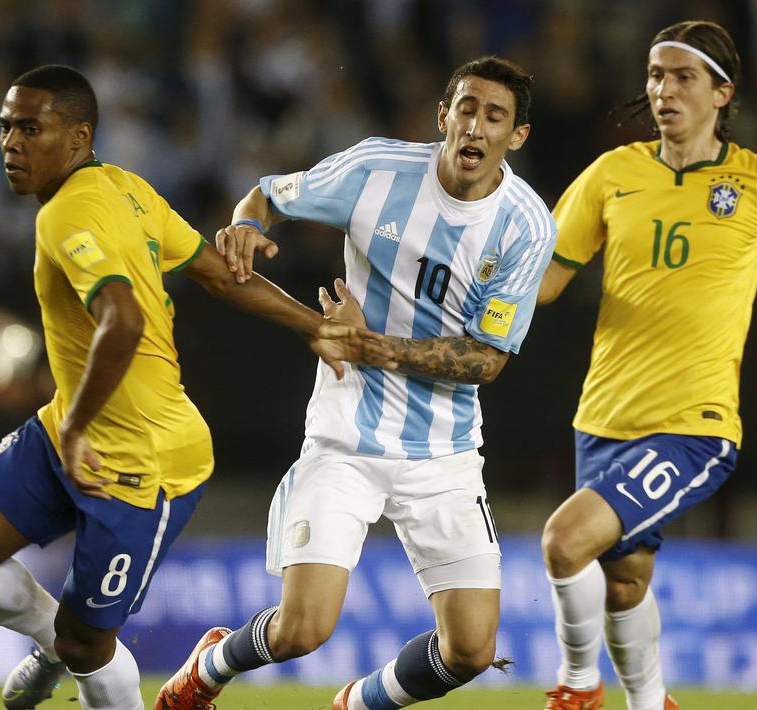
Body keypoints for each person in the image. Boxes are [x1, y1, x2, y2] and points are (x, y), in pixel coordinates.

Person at [0, 65, 391, 710]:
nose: (11, 143)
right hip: (70, 426)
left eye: (30, 129)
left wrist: (78, 428)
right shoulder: (129, 190)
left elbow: (123, 321)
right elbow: (220, 274)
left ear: (79, 136)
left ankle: (71, 645)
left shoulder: (70, 213)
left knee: (90, 646)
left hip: (145, 463)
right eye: (6, 128)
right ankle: (55, 641)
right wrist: (316, 326)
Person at [156, 56, 557, 710]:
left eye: (494, 116)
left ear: (517, 136)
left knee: (470, 652)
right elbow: (267, 195)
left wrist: (370, 344)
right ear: (443, 117)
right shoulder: (376, 169)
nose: (475, 126)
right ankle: (210, 666)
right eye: (466, 109)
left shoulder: (526, 226)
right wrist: (248, 227)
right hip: (346, 435)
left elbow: (486, 361)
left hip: (444, 453)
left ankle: (360, 703)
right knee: (301, 630)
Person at [534, 21, 757, 710]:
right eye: (655, 75)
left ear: (722, 92)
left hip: (693, 424)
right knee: (623, 581)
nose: (663, 90)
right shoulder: (612, 174)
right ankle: (651, 703)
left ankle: (577, 686)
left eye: (682, 77)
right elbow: (545, 281)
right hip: (603, 415)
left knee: (564, 541)